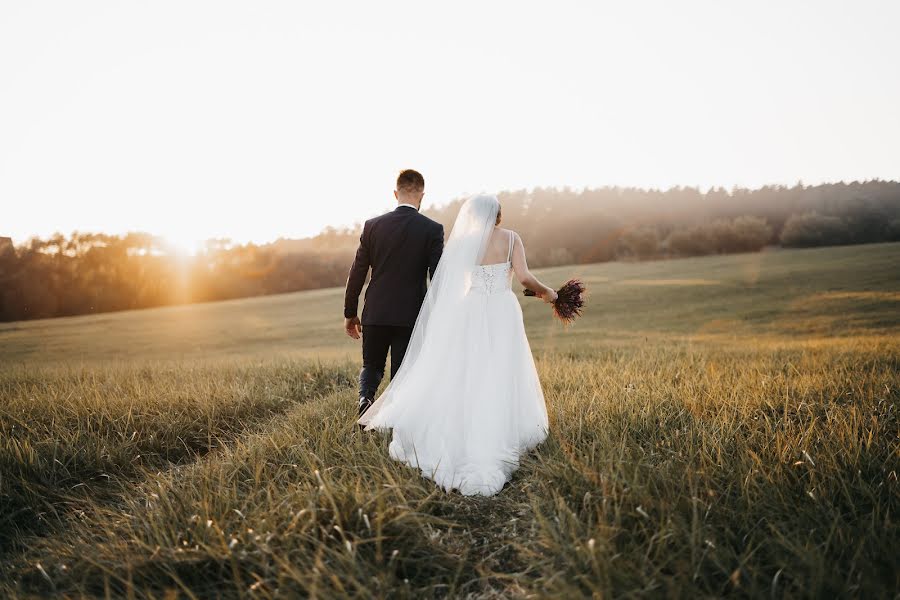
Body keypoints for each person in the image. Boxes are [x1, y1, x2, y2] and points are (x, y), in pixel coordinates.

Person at [358, 194, 556, 496]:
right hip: (502, 310)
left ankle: (462, 427)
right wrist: (549, 293)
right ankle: (497, 428)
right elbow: (526, 278)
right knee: (501, 368)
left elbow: (451, 284)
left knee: (467, 370)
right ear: (499, 216)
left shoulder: (465, 243)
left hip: (470, 309)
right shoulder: (512, 238)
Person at [343, 169, 444, 417]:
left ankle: (366, 399)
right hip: (411, 315)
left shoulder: (372, 226)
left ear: (395, 193)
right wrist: (439, 313)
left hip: (376, 311)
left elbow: (357, 272)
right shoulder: (432, 229)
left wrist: (350, 313)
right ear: (422, 195)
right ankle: (395, 421)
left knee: (372, 365)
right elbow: (438, 277)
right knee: (402, 373)